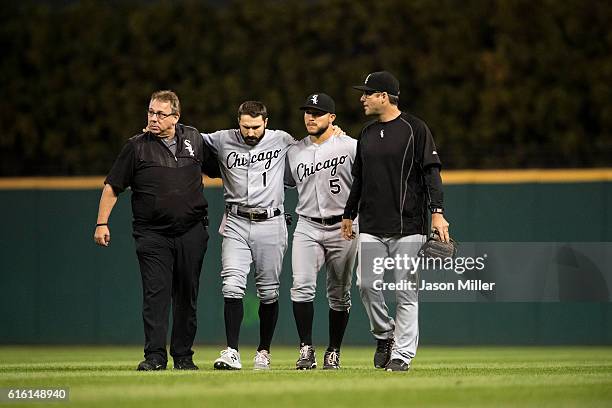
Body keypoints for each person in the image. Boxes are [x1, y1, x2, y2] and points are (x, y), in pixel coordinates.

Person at [93, 90, 220, 371]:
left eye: (161, 114)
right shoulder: (136, 146)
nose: (153, 118)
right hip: (153, 234)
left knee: (187, 294)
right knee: (156, 294)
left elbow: (222, 169)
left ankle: (184, 357)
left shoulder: (195, 140)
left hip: (192, 230)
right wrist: (102, 222)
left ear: (176, 116)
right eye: (151, 112)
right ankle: (154, 356)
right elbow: (113, 185)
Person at [341, 71, 450, 372]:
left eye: (367, 93)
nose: (362, 98)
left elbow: (432, 173)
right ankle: (384, 334)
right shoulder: (366, 133)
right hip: (372, 225)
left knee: (405, 291)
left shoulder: (415, 128)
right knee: (365, 285)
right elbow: (359, 178)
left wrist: (437, 212)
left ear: (384, 97)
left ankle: (402, 354)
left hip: (408, 225)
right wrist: (349, 213)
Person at [201, 101, 296, 370]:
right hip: (236, 221)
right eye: (246, 126)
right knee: (231, 285)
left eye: (256, 126)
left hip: (272, 221)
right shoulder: (222, 139)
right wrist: (168, 127)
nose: (251, 132)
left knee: (268, 292)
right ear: (238, 123)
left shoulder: (283, 140)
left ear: (266, 122)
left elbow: (312, 148)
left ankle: (263, 351)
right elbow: (190, 139)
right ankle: (231, 350)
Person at [285, 93, 358, 370]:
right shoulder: (294, 150)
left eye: (317, 112)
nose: (311, 116)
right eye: (307, 111)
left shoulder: (351, 146)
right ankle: (306, 349)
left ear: (332, 118)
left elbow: (365, 182)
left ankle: (333, 351)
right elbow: (286, 180)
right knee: (301, 286)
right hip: (307, 225)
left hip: (344, 226)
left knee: (340, 293)